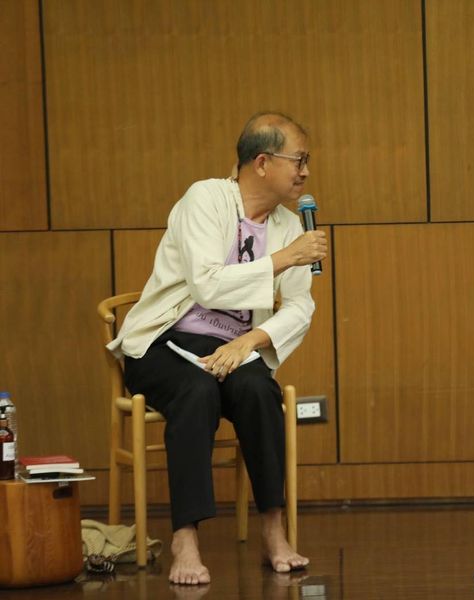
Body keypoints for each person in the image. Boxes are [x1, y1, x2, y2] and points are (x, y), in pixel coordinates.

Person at [107, 112, 328, 585]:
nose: (306, 172)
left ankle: (274, 530)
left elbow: (300, 306)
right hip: (164, 343)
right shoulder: (205, 199)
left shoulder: (291, 225)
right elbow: (206, 284)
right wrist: (286, 258)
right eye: (299, 160)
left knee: (259, 391)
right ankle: (185, 537)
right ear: (262, 162)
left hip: (233, 348)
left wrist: (250, 341)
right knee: (197, 391)